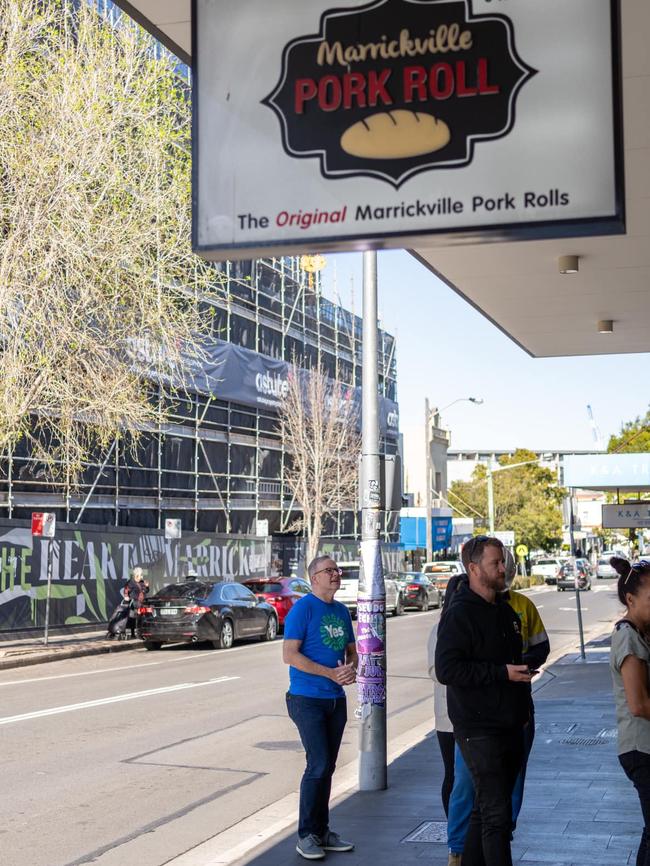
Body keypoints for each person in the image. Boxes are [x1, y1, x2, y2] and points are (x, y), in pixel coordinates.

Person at [444, 549, 550, 864]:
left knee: (493, 808)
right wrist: (502, 672)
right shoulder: (460, 613)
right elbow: (447, 669)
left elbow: (538, 647)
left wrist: (524, 666)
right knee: (486, 806)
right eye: (497, 563)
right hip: (477, 726)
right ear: (474, 570)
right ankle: (457, 849)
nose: (504, 568)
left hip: (513, 719)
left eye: (506, 563)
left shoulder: (511, 609)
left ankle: (477, 848)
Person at [283, 555, 358, 861]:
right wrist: (328, 673)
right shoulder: (303, 609)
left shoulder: (340, 610)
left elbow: (353, 652)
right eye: (329, 570)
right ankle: (306, 835)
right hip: (306, 698)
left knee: (327, 766)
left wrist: (351, 669)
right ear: (314, 578)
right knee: (318, 763)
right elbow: (289, 654)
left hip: (334, 699)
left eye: (337, 570)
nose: (336, 574)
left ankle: (323, 831)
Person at [610, 556, 650, 866]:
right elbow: (639, 704)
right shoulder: (628, 636)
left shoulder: (642, 632)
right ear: (631, 599)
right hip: (641, 748)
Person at [124, 566, 149, 639]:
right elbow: (126, 590)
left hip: (142, 603)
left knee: (141, 618)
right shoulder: (130, 582)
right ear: (137, 575)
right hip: (134, 602)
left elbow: (146, 591)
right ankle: (132, 633)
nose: (142, 576)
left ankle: (140, 632)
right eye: (141, 575)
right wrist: (126, 596)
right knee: (133, 618)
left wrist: (147, 587)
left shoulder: (142, 582)